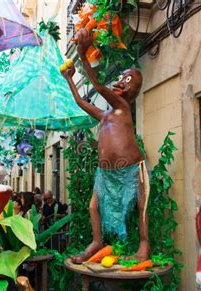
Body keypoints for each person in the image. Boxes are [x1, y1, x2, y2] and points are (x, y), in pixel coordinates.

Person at [61, 28, 150, 263]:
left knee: (142, 204)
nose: (122, 81)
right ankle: (97, 242)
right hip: (106, 174)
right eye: (122, 77)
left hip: (132, 168)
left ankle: (143, 243)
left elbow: (99, 87)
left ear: (135, 91)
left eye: (129, 80)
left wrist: (82, 55)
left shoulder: (122, 105)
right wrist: (70, 79)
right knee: (93, 207)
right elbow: (81, 101)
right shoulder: (106, 115)